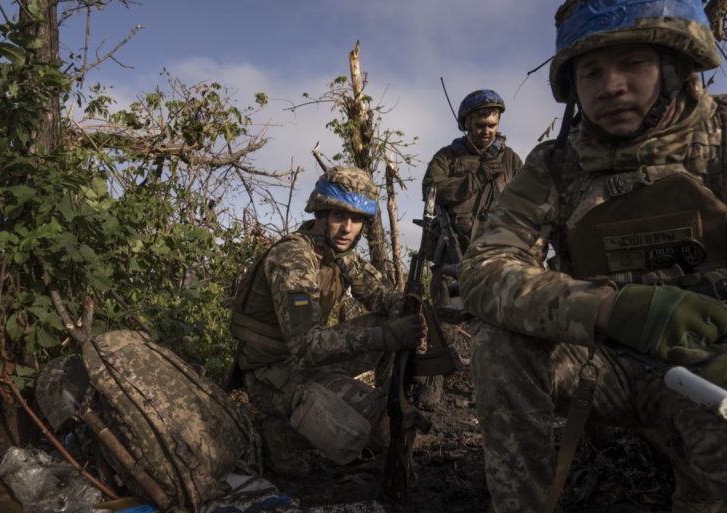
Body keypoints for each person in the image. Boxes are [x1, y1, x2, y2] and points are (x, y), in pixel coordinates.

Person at [458, 1, 727, 512]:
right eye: (592, 72)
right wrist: (609, 310)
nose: (611, 86)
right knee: (499, 344)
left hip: (711, 366)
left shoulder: (720, 138)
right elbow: (483, 268)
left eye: (633, 64)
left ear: (672, 67)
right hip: (607, 362)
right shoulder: (557, 164)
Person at [229, 165, 427, 474]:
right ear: (321, 215)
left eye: (357, 219)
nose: (348, 228)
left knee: (386, 424)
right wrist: (385, 337)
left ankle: (386, 404)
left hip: (305, 362)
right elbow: (307, 346)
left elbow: (379, 294)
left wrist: (414, 307)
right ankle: (279, 435)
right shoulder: (293, 259)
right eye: (339, 217)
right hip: (271, 374)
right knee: (355, 434)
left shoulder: (338, 253)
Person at [418, 90, 523, 408]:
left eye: (492, 124)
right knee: (444, 327)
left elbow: (528, 200)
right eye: (480, 125)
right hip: (452, 255)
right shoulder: (447, 157)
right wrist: (474, 179)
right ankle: (434, 391)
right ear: (466, 124)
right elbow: (430, 190)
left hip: (498, 258)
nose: (487, 131)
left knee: (501, 327)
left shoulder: (510, 159)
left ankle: (500, 389)